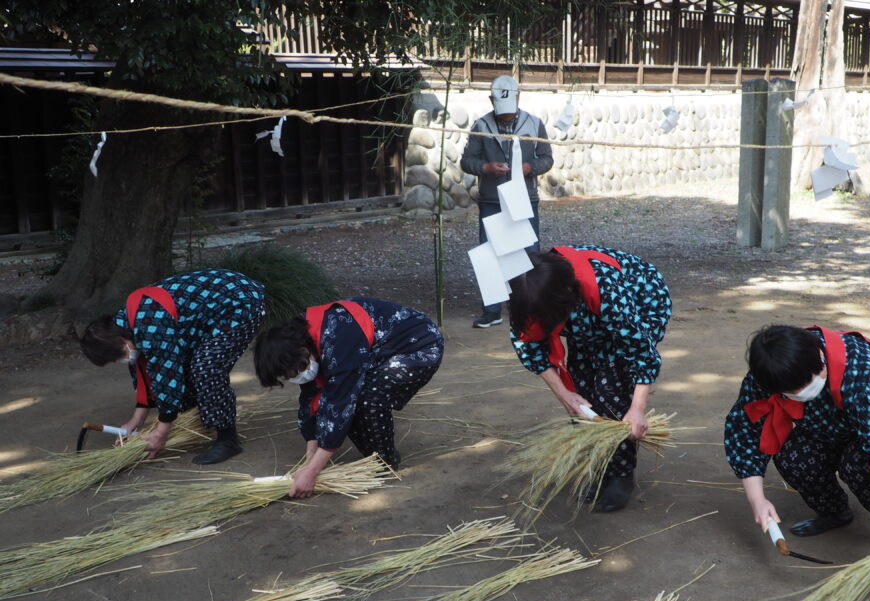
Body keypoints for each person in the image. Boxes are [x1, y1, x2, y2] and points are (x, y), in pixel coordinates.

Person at [723, 325, 870, 576]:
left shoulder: (857, 367)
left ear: (820, 357)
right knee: (793, 457)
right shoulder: (769, 374)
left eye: (806, 384)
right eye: (791, 392)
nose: (800, 393)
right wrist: (757, 500)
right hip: (831, 423)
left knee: (859, 465)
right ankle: (834, 512)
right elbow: (744, 431)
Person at [508, 245, 672, 512]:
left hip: (638, 303)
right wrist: (564, 394)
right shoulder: (527, 291)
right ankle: (597, 463)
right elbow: (528, 344)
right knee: (582, 393)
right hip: (583, 316)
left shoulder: (607, 291)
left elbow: (639, 351)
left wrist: (637, 408)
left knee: (611, 394)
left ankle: (620, 473)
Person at [253, 298, 444, 498]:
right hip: (380, 351)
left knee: (368, 399)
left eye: (293, 372)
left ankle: (385, 462)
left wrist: (312, 472)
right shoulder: (302, 343)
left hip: (418, 346)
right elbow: (312, 399)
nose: (294, 378)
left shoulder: (337, 338)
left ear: (303, 352)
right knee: (345, 399)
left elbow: (340, 404)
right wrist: (309, 458)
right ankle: (373, 456)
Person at [80, 269, 266, 464]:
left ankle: (228, 439)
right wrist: (136, 420)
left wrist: (161, 433)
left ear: (121, 341)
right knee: (187, 365)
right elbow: (145, 372)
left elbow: (167, 375)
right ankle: (203, 419)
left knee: (206, 367)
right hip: (216, 307)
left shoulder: (149, 322)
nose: (123, 359)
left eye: (120, 355)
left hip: (240, 302)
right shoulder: (126, 325)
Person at [460, 74, 554, 329]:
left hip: (524, 198)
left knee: (530, 252)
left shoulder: (534, 124)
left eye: (509, 113)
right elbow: (466, 161)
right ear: (491, 101)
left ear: (518, 98)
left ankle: (531, 309)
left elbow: (547, 158)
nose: (506, 118)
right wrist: (485, 167)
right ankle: (492, 311)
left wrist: (529, 167)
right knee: (489, 253)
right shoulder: (481, 126)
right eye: (502, 114)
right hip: (491, 200)